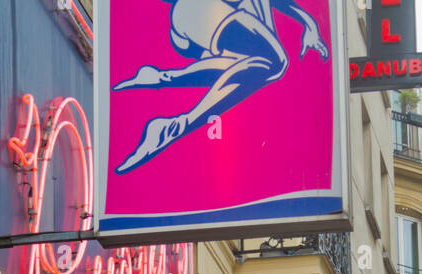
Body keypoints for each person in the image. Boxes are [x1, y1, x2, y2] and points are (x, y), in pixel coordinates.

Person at [112, 0, 329, 173]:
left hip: (209, 17)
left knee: (253, 64)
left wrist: (310, 24)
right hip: (195, 11)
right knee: (274, 61)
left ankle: (160, 78)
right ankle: (174, 125)